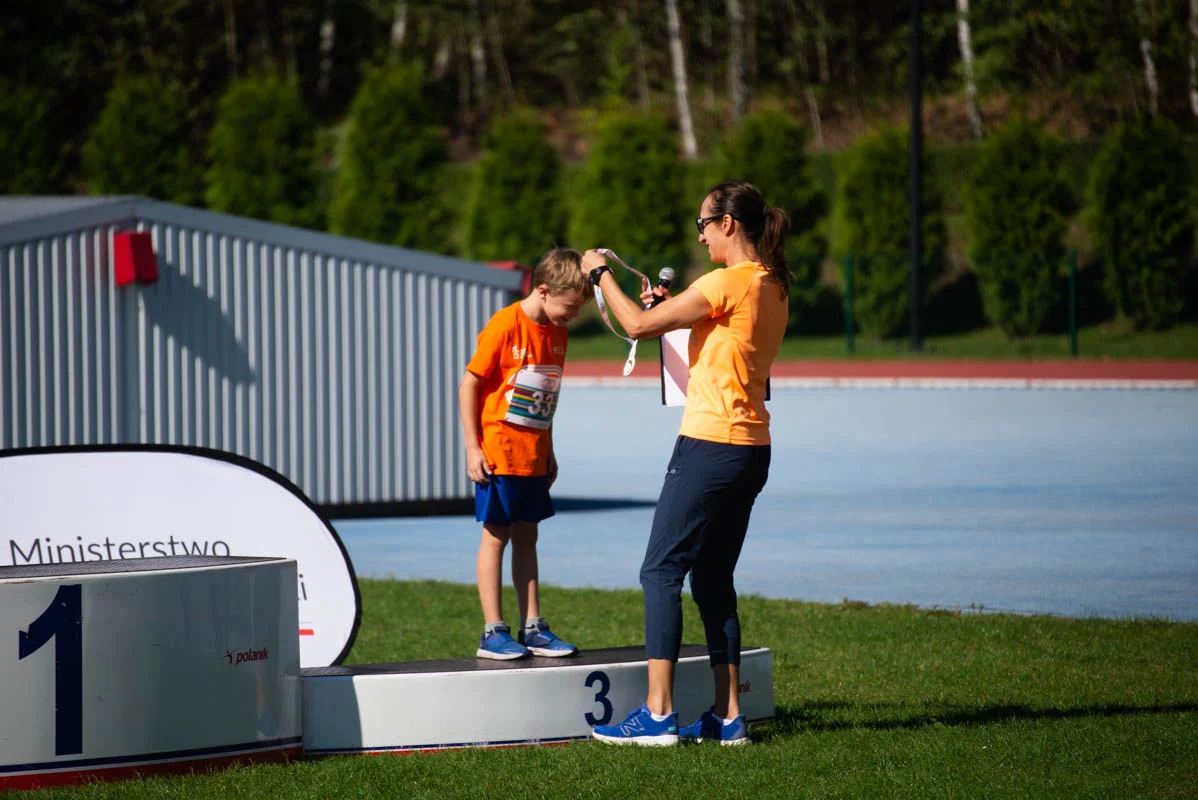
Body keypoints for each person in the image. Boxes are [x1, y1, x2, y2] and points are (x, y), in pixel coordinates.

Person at [584, 180, 790, 746]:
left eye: (703, 225)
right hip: (751, 447)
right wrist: (670, 310)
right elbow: (716, 337)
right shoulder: (772, 284)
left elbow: (635, 326)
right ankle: (729, 717)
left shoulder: (724, 282)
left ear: (727, 224)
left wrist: (600, 273)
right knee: (714, 579)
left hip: (710, 445)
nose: (700, 237)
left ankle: (657, 714)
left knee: (660, 572)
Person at [459, 247, 593, 660]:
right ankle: (492, 631)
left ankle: (532, 626)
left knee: (528, 537)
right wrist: (473, 447)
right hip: (498, 452)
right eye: (569, 307)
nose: (573, 316)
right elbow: (469, 384)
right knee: (496, 536)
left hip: (533, 455)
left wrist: (549, 449)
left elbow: (545, 397)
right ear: (544, 290)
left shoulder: (558, 334)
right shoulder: (505, 324)